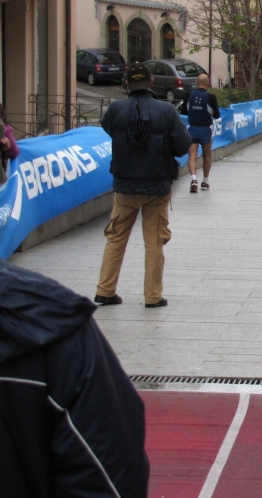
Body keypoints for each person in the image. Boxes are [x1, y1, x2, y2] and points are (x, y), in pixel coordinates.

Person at [0, 259, 150, 496]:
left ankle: (106, 288)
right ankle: (147, 293)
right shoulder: (51, 320)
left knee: (118, 237)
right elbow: (110, 471)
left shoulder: (50, 320)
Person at [95, 62, 192, 308]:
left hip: (124, 185)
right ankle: (152, 295)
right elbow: (183, 145)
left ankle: (105, 290)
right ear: (151, 83)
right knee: (154, 241)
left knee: (116, 237)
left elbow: (108, 129)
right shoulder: (166, 111)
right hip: (157, 186)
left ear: (127, 84)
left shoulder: (116, 110)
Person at [180, 73, 220, 192]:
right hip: (205, 129)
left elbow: (184, 111)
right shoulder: (210, 97)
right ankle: (205, 181)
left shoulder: (189, 94)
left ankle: (193, 180)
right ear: (208, 83)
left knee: (192, 155)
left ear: (197, 83)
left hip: (192, 128)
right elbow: (217, 115)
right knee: (207, 155)